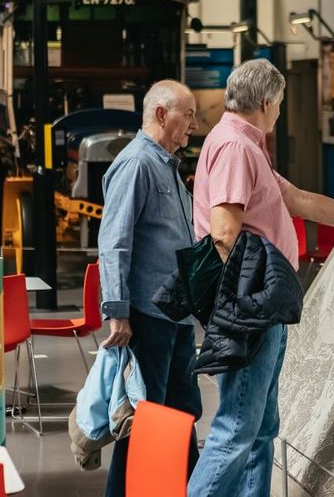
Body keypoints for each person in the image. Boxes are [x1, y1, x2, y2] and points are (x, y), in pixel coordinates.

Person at [188, 58, 334, 497]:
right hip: (253, 311)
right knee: (237, 431)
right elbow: (223, 233)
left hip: (262, 309)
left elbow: (300, 200)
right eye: (279, 104)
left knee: (261, 431)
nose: (279, 113)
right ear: (264, 101)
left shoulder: (242, 144)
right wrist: (241, 312)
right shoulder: (237, 148)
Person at [98, 80, 203, 496]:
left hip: (176, 316)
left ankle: (186, 489)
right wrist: (118, 310)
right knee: (147, 419)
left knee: (181, 414)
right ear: (162, 114)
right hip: (147, 316)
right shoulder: (137, 164)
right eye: (188, 114)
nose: (194, 124)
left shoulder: (168, 166)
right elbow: (114, 241)